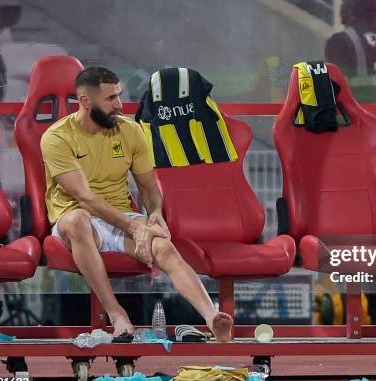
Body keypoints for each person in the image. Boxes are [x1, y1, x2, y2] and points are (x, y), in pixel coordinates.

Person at [40, 66, 233, 341]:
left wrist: (154, 215)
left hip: (120, 216)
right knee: (77, 221)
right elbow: (86, 199)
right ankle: (117, 314)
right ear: (85, 102)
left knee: (163, 245)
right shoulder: (57, 137)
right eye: (110, 99)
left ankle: (211, 317)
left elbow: (148, 187)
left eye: (119, 96)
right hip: (76, 220)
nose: (119, 105)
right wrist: (134, 227)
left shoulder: (131, 131)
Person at [325, 0, 376, 325]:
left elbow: (334, 94)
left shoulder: (341, 42)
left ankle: (370, 311)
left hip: (359, 146)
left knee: (358, 232)